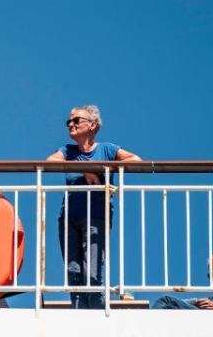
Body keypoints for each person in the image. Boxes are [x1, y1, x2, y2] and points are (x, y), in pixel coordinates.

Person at [46, 104, 141, 309]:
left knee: (92, 270)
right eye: (68, 121)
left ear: (92, 125)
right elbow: (50, 162)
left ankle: (95, 315)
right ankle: (80, 313)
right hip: (69, 217)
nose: (71, 124)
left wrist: (100, 169)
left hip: (96, 215)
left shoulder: (107, 149)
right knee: (73, 271)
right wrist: (85, 170)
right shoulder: (68, 150)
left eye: (76, 120)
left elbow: (136, 160)